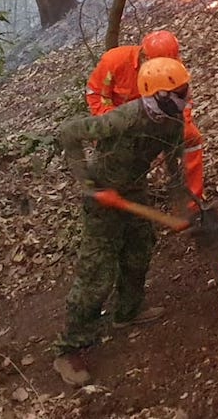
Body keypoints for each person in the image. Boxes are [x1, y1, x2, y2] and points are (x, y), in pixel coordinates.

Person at [53, 57, 194, 386]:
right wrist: (90, 187)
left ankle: (127, 313)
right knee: (96, 274)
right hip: (102, 199)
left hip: (134, 193)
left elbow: (175, 169)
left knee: (140, 249)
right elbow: (69, 132)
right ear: (156, 95)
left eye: (184, 89)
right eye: (178, 91)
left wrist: (182, 210)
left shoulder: (172, 123)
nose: (184, 96)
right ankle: (69, 349)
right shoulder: (122, 119)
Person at [85, 30, 205, 204]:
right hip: (122, 123)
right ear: (144, 56)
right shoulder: (114, 61)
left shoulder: (174, 67)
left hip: (159, 119)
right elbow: (95, 94)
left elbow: (183, 101)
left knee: (190, 138)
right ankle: (125, 204)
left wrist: (177, 128)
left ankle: (191, 203)